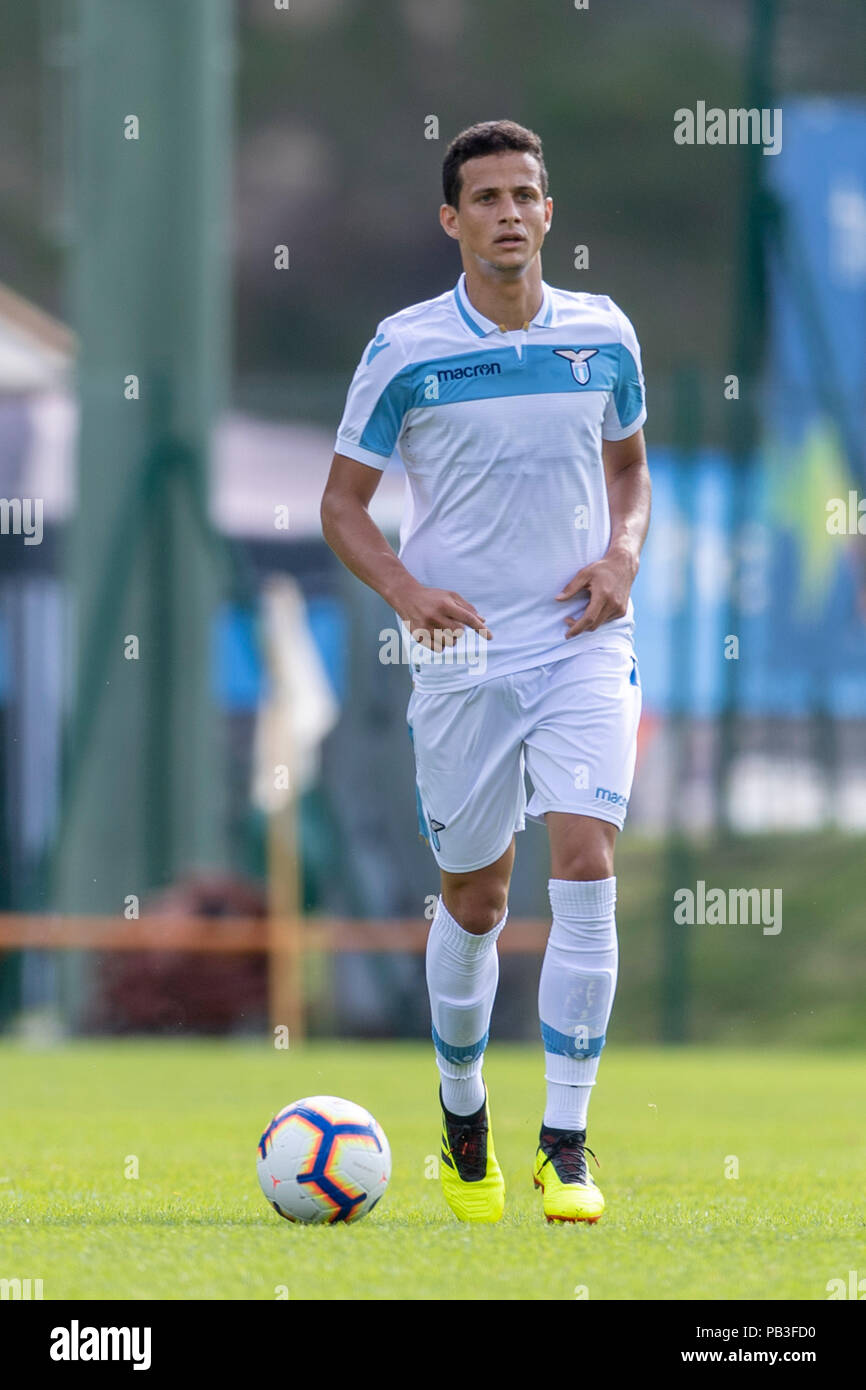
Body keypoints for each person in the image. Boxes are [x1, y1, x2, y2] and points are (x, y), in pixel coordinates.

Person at [321, 119, 650, 1224]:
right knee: (475, 898)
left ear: (548, 212)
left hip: (579, 641)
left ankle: (566, 1142)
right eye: (487, 197)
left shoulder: (602, 334)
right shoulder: (404, 348)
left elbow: (630, 468)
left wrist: (621, 554)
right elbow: (341, 505)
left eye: (526, 193)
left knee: (585, 857)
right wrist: (406, 592)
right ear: (451, 220)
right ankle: (464, 1113)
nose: (509, 212)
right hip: (458, 657)